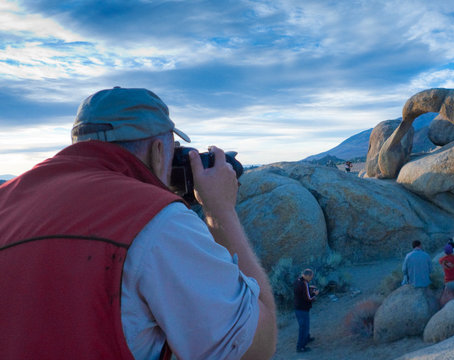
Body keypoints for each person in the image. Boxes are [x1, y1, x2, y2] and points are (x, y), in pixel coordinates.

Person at [0, 87, 276, 359]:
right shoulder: (157, 222)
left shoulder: (7, 198)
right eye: (174, 148)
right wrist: (220, 210)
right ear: (158, 149)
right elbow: (256, 348)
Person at [293, 268, 319, 353]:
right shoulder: (304, 283)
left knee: (304, 325)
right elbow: (309, 298)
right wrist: (315, 295)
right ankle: (300, 347)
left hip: (298, 307)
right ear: (307, 275)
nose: (311, 278)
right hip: (302, 309)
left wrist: (309, 287)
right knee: (304, 327)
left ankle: (307, 338)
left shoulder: (298, 280)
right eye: (311, 277)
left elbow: (302, 291)